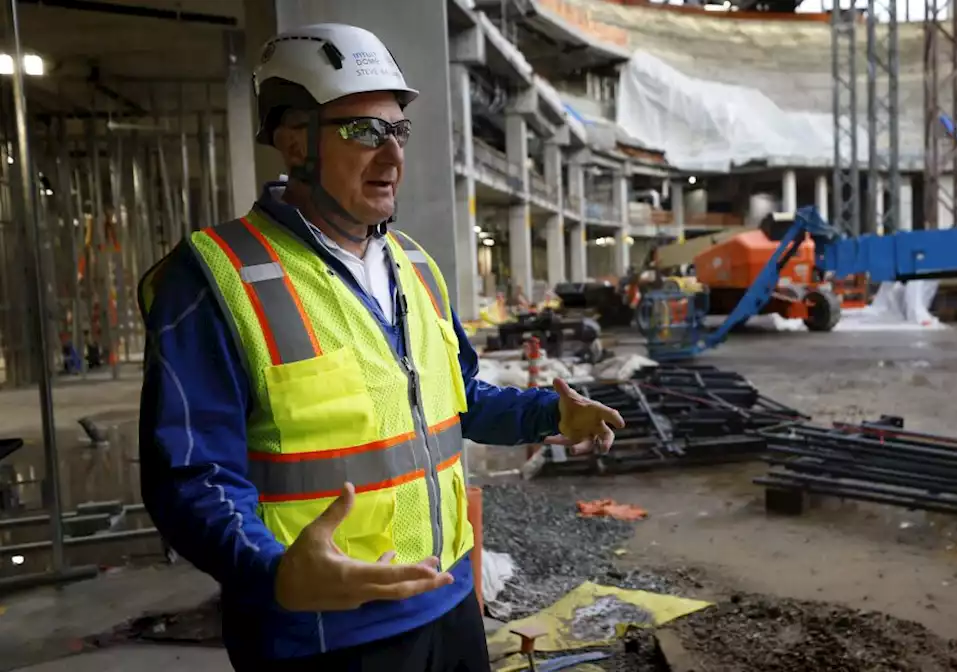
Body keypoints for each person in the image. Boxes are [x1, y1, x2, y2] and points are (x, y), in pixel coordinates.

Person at [137, 23, 624, 671]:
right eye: (363, 131)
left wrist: (547, 414)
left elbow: (458, 401)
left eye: (399, 131)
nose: (392, 155)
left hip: (448, 599)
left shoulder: (414, 264)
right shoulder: (215, 276)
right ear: (292, 140)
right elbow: (189, 475)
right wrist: (275, 572)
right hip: (322, 633)